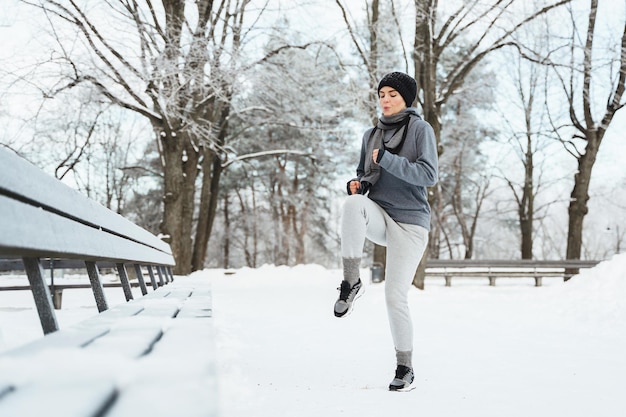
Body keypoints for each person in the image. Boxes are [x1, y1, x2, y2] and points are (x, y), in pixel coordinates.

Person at [334, 72, 438, 391]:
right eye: (381, 94)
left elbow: (429, 174)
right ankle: (351, 281)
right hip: (380, 214)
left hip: (409, 223)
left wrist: (389, 161)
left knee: (395, 297)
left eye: (392, 93)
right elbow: (365, 173)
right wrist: (359, 184)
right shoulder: (371, 135)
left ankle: (405, 368)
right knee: (352, 203)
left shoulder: (420, 130)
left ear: (406, 98)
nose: (386, 99)